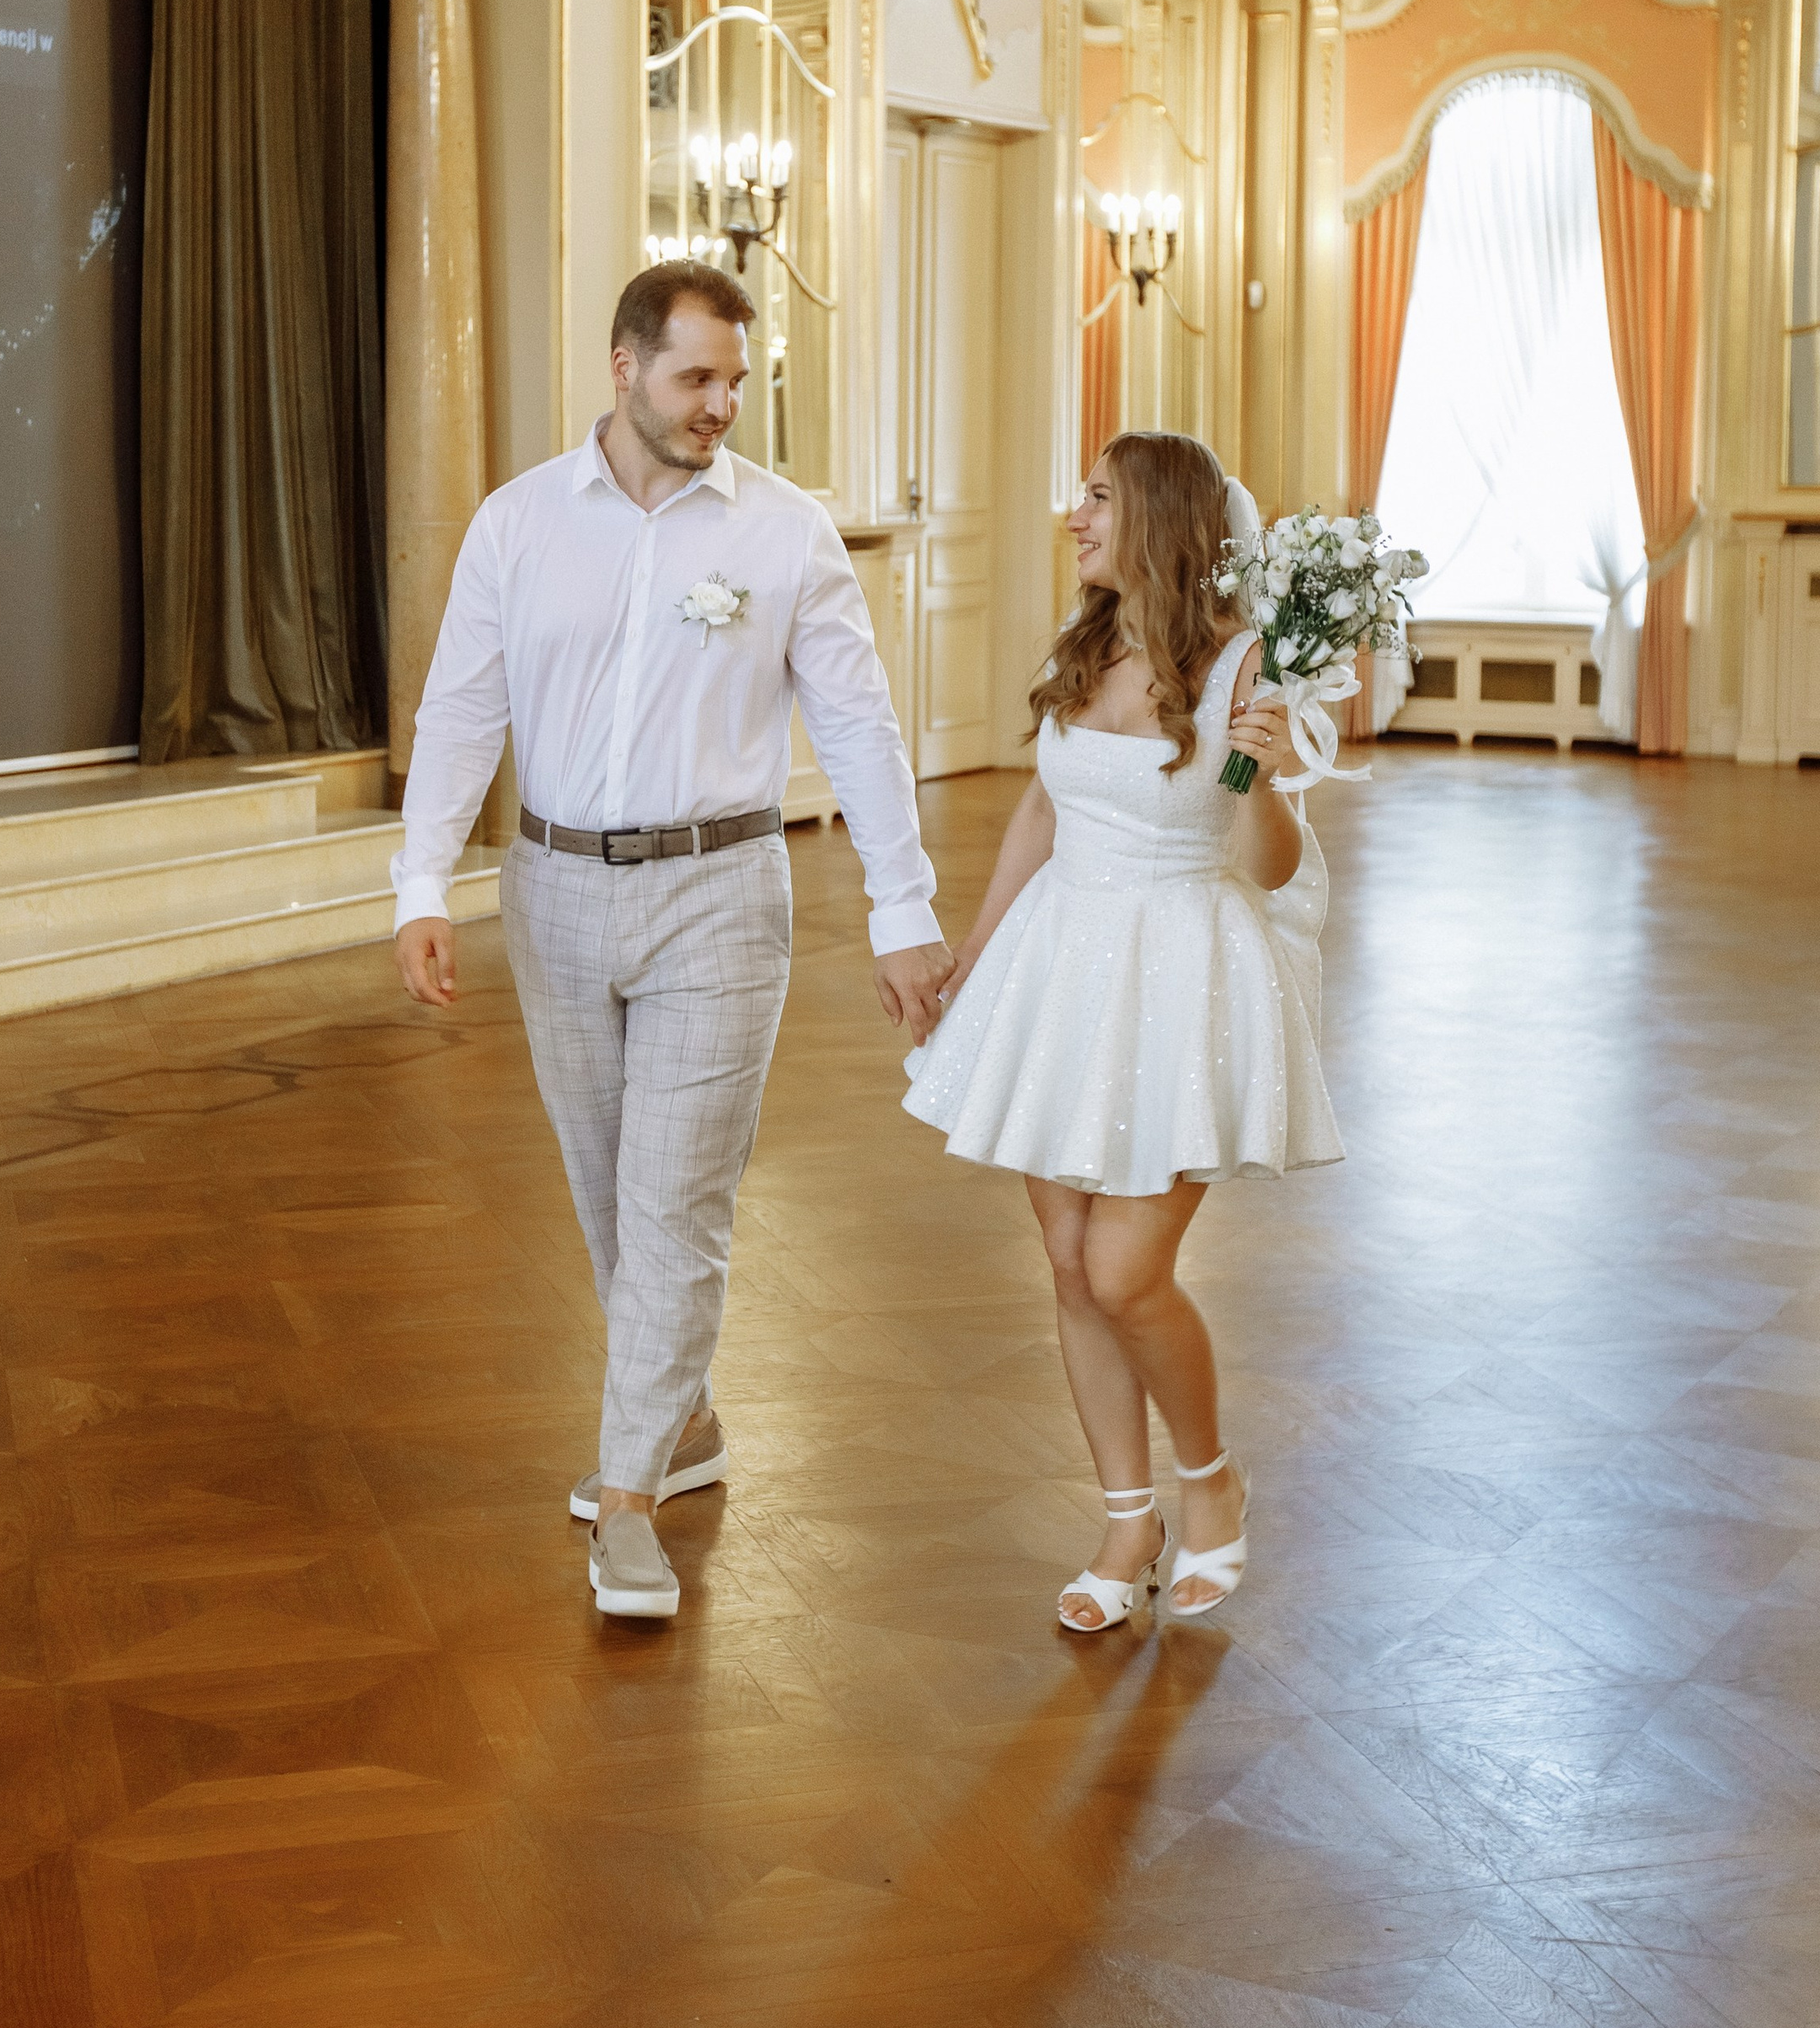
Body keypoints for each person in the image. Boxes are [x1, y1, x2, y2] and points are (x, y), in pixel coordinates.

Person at [393, 260, 953, 1622]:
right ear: (625, 366)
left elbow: (860, 724)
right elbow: (463, 709)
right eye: (696, 377)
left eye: (736, 380)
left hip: (722, 891)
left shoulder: (785, 531)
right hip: (555, 891)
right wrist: (420, 880)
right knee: (606, 1194)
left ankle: (631, 1497)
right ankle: (685, 1421)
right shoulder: (519, 524)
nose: (722, 405)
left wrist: (905, 905)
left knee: (677, 1203)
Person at [902, 431, 1340, 1634]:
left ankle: (1210, 1481)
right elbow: (1044, 806)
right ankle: (1125, 1514)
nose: (1075, 515)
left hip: (1183, 970)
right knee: (1067, 1263)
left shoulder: (1251, 665)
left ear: (1157, 515)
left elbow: (1270, 860)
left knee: (1123, 1267)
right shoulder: (1083, 640)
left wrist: (1253, 770)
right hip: (1060, 969)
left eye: (1096, 497)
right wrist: (974, 959)